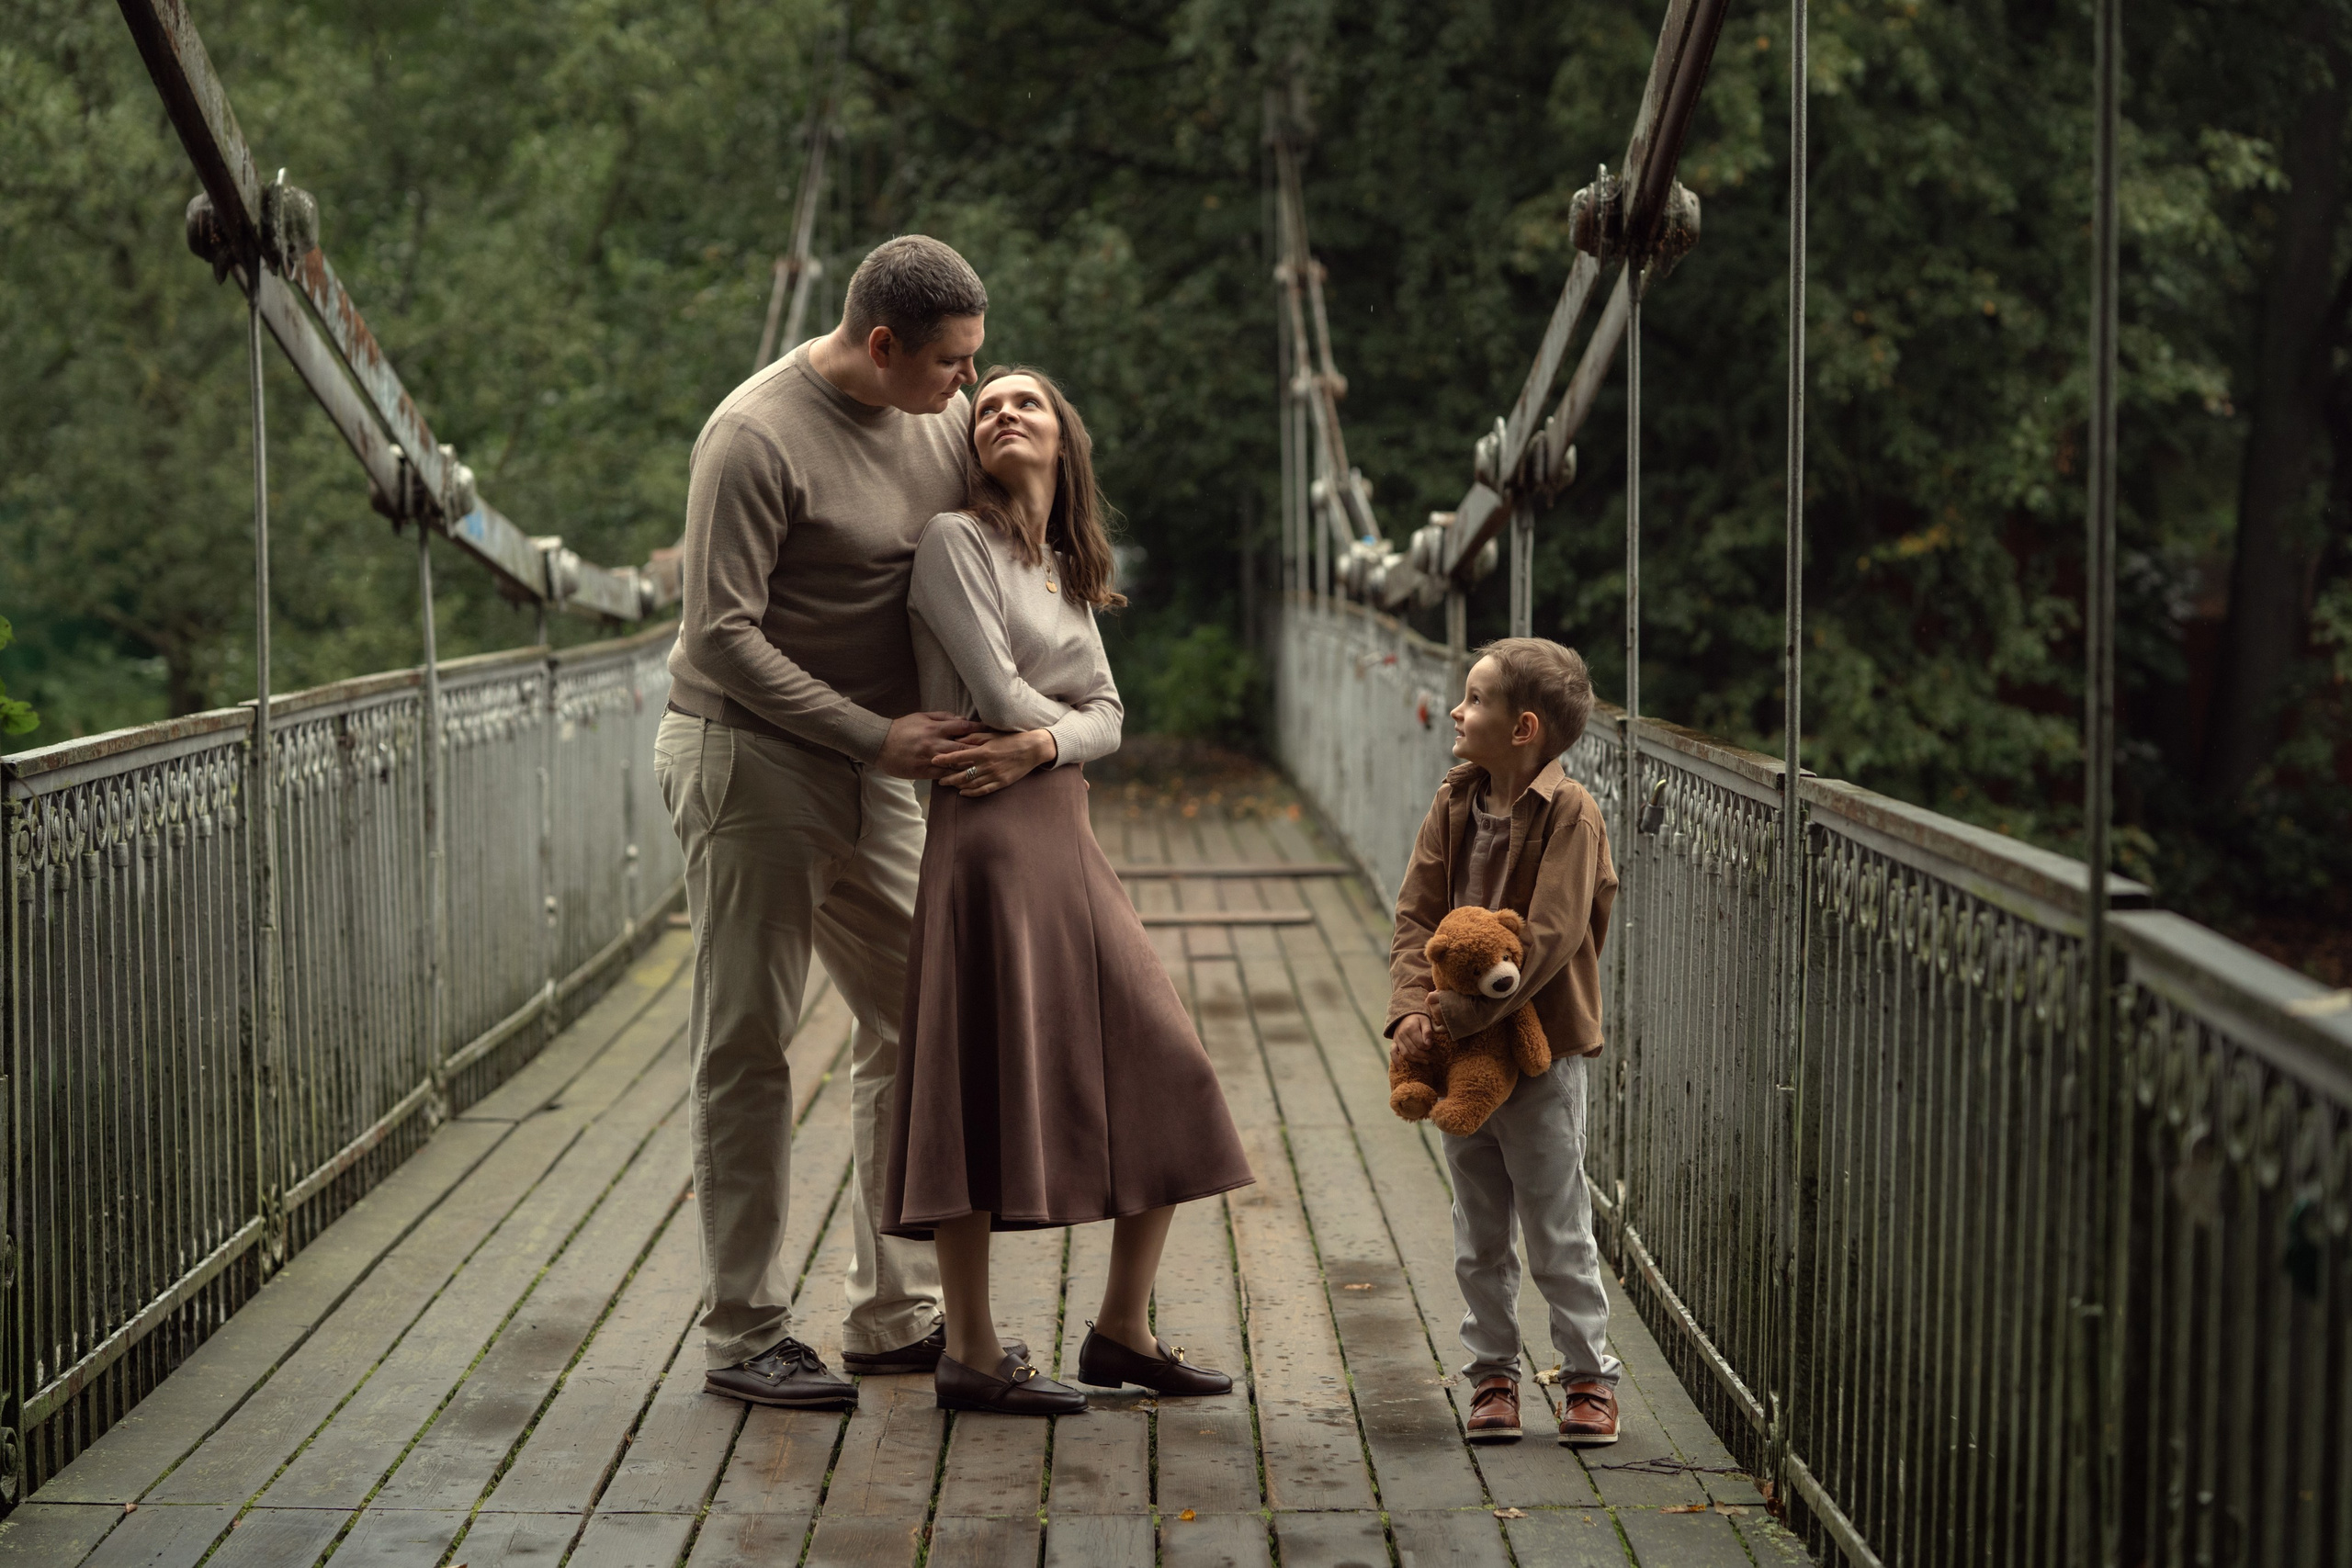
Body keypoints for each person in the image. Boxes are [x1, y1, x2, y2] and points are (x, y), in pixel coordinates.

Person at [658, 235, 1018, 1411]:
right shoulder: (754, 437)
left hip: (882, 774)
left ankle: (891, 1311)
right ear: (880, 346)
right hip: (752, 761)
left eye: (973, 363)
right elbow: (719, 633)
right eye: (950, 366)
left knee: (923, 1020)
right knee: (748, 1041)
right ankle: (744, 1332)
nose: (966, 386)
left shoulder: (937, 418)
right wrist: (872, 736)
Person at [881, 365, 1256, 1416]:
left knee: (1166, 1064)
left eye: (1025, 402)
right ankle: (971, 1350)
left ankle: (1120, 1331)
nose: (1002, 412)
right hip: (985, 837)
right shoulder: (955, 543)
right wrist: (1053, 730)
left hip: (1057, 821)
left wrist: (1043, 741)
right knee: (978, 1080)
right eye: (986, 403)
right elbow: (996, 693)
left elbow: (1109, 713)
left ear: (1062, 440)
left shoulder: (1062, 566)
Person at [1385, 640, 1623, 1446]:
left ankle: (1588, 1377)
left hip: (1541, 1054)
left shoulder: (1572, 815)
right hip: (1459, 1060)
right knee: (1478, 1226)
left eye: (1474, 698)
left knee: (1556, 1224)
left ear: (1522, 726)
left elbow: (1549, 938)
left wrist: (1448, 1017)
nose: (1457, 709)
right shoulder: (1453, 804)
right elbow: (1416, 914)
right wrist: (1411, 1011)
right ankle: (1493, 1375)